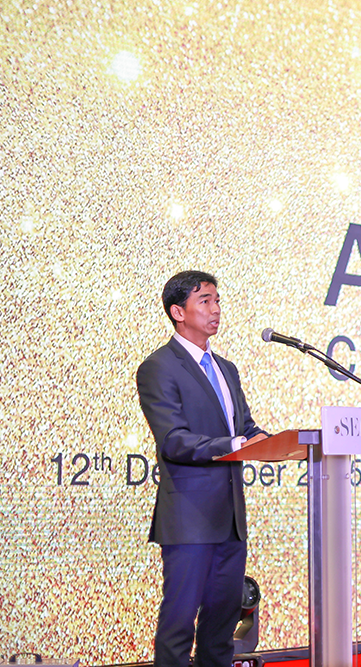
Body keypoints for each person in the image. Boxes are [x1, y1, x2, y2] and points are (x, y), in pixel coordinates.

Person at [137, 270, 267, 667]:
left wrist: (266, 440)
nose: (216, 309)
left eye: (217, 301)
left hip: (230, 519)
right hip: (189, 519)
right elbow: (173, 440)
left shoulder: (227, 368)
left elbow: (244, 428)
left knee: (221, 627)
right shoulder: (159, 366)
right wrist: (234, 445)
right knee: (178, 626)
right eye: (205, 301)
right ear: (178, 312)